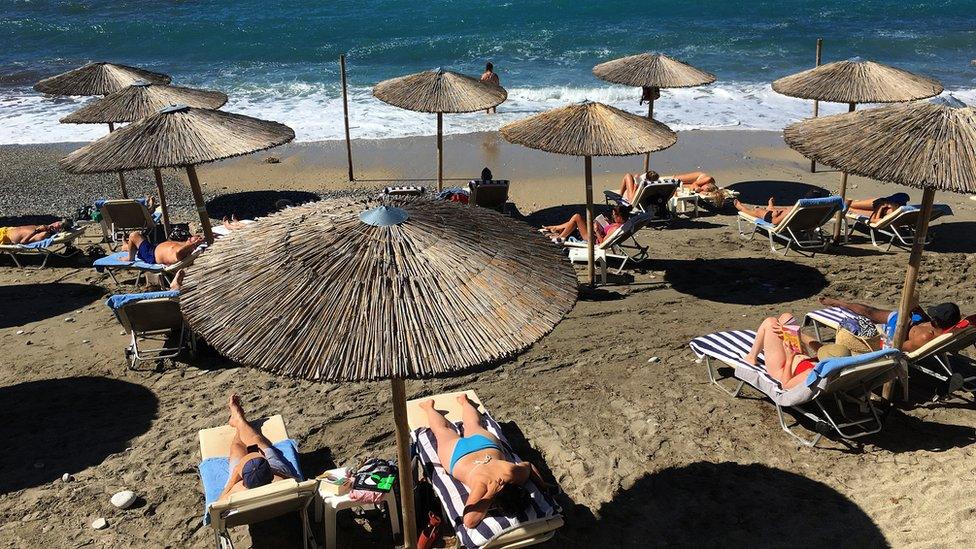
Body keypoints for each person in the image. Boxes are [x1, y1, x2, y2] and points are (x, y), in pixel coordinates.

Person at [419, 394, 550, 528]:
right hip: (458, 455)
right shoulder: (482, 486)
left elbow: (528, 465)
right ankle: (429, 408)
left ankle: (464, 402)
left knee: (473, 424)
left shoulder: (514, 473)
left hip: (485, 445)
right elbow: (469, 521)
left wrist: (542, 484)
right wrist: (489, 494)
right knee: (441, 431)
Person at [218, 394, 299, 502]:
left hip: (247, 478)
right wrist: (274, 471)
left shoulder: (237, 491)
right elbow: (298, 481)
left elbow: (217, 504)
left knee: (237, 446)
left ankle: (238, 420)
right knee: (256, 440)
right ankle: (239, 420)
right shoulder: (281, 483)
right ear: (271, 476)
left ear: (244, 481)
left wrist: (234, 477)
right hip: (271, 475)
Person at [818, 296, 961, 352]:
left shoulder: (925, 337)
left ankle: (838, 304)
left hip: (896, 330)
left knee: (869, 314)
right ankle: (840, 303)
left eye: (934, 316)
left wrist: (904, 324)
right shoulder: (942, 325)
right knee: (869, 311)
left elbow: (895, 346)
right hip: (909, 321)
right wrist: (914, 307)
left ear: (937, 321)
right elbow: (925, 319)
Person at [743, 313, 827, 390]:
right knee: (787, 317)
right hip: (799, 355)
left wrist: (789, 358)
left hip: (783, 368)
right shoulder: (833, 364)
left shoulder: (811, 374)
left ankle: (751, 357)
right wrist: (798, 335)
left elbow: (785, 384)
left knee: (770, 322)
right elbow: (821, 349)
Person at [542, 206, 630, 244]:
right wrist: (608, 223)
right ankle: (556, 228)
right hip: (595, 234)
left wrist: (596, 230)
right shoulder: (621, 224)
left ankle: (560, 237)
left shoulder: (616, 229)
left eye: (614, 215)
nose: (612, 216)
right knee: (581, 221)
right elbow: (608, 232)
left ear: (620, 217)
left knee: (577, 217)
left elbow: (602, 242)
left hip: (592, 240)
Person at [125, 230, 204, 265]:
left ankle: (130, 258)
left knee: (134, 235)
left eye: (190, 240)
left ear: (193, 246)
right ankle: (126, 246)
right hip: (153, 249)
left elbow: (178, 254)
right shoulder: (186, 246)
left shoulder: (182, 252)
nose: (189, 239)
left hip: (151, 254)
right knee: (135, 242)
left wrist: (194, 243)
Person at [0, 219, 71, 245]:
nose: (54, 224)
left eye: (57, 226)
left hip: (5, 237)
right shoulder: (45, 227)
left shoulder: (43, 234)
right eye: (57, 222)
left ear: (57, 231)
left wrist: (37, 231)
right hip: (7, 230)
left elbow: (23, 242)